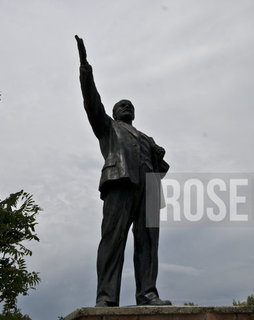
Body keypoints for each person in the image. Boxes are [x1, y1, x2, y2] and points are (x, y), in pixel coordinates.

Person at [75, 35, 171, 307]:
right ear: (115, 113)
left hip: (149, 192)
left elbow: (160, 169)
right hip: (120, 182)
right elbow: (92, 102)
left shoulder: (146, 137)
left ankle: (148, 294)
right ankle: (106, 297)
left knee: (149, 245)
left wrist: (158, 156)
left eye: (130, 105)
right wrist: (85, 69)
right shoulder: (108, 127)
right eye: (122, 105)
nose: (126, 105)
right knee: (113, 240)